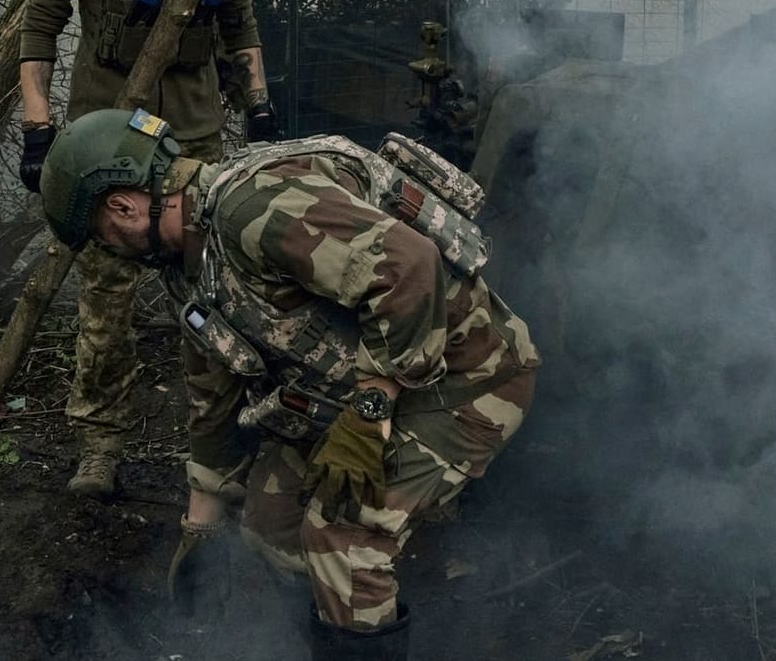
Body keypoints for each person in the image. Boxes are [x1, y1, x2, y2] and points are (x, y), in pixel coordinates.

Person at [37, 109, 539, 658]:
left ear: (122, 205)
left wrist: (369, 416)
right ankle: (336, 624)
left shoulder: (254, 208)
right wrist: (200, 526)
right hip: (369, 391)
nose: (109, 248)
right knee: (270, 520)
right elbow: (213, 389)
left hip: (467, 382)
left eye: (102, 236)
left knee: (341, 539)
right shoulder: (188, 265)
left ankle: (358, 609)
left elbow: (408, 267)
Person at [18, 0, 281, 497]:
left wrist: (256, 100)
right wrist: (38, 126)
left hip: (193, 138)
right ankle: (100, 442)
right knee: (105, 297)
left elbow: (240, 24)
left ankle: (221, 439)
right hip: (105, 146)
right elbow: (41, 19)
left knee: (214, 292)